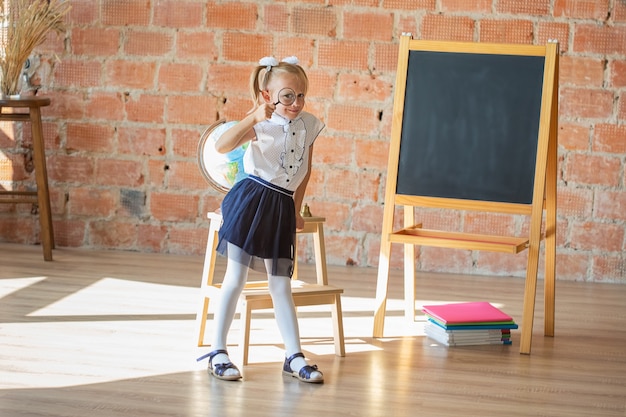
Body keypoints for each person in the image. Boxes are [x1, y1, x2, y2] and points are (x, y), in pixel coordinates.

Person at [197, 56, 325, 383]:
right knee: (235, 279)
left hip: (281, 206)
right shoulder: (258, 121)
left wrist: (297, 208)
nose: (295, 103)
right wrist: (251, 117)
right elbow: (222, 146)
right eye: (287, 96)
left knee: (280, 284)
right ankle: (218, 351)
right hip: (251, 200)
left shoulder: (309, 124)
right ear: (268, 95)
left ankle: (293, 355)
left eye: (301, 96)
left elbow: (305, 172)